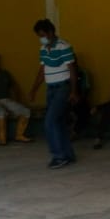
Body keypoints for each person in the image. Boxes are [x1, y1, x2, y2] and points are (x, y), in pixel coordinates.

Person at [29, 19, 78, 169]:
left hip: (63, 88)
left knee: (49, 122)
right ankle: (68, 155)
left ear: (50, 32)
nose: (41, 38)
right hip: (50, 88)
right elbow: (42, 71)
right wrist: (34, 89)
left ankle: (59, 156)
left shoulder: (63, 46)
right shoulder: (43, 49)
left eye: (42, 35)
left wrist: (74, 91)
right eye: (39, 36)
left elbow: (72, 70)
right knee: (59, 122)